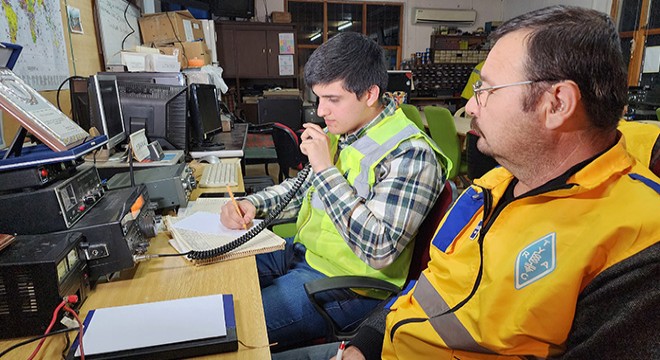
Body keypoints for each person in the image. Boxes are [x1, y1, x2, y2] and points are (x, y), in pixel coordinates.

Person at [273, 5, 660, 359]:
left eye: (486, 89)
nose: (471, 106)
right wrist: (367, 342)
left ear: (557, 103)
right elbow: (431, 282)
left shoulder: (638, 246)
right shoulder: (490, 186)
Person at [220, 32, 448, 350]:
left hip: (351, 287)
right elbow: (303, 191)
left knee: (231, 324)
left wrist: (326, 170)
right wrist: (252, 204)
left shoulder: (411, 154)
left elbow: (379, 249)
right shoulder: (343, 131)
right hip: (306, 254)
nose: (321, 111)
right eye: (318, 99)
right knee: (221, 269)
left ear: (370, 94)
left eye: (333, 99)